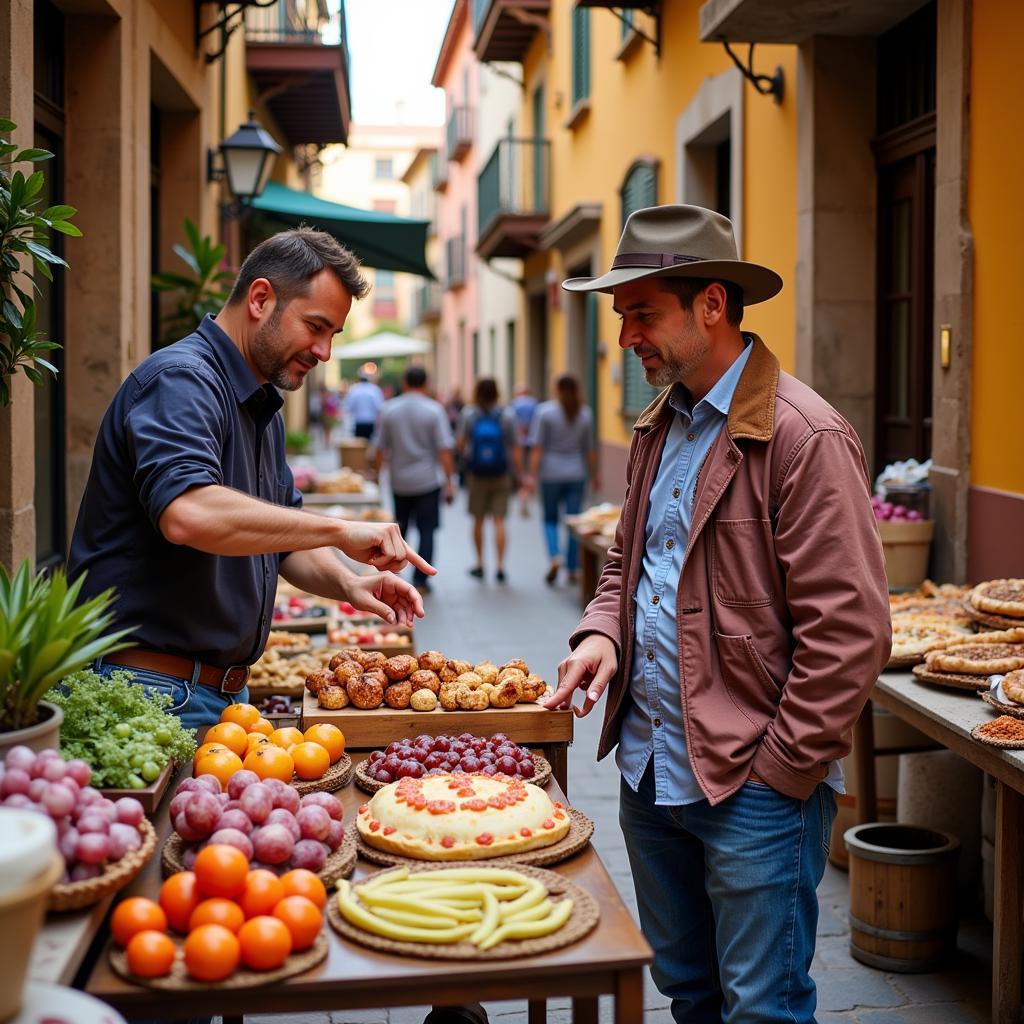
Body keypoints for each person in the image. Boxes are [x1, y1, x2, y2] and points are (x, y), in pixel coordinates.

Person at [544, 204, 891, 1024]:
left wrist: (779, 773)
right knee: (689, 993)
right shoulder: (659, 425)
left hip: (751, 787)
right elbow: (626, 563)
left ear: (712, 306)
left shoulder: (804, 437)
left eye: (642, 313)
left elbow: (851, 636)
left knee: (761, 1007)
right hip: (648, 770)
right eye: (622, 315)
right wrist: (601, 631)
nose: (627, 336)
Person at [67, 228, 434, 732]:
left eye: (333, 335)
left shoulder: (261, 402)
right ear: (260, 298)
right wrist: (339, 530)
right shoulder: (182, 380)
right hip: (150, 689)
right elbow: (188, 513)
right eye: (315, 326)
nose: (324, 351)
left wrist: (350, 581)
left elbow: (283, 541)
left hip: (214, 692)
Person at [371, 365, 456, 596]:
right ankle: (421, 580)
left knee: (400, 530)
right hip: (428, 481)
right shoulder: (435, 410)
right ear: (426, 384)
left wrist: (377, 477)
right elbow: (444, 450)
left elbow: (380, 448)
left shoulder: (389, 409)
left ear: (405, 383)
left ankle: (394, 576)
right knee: (427, 531)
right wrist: (450, 482)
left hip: (399, 481)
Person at [524, 374, 598, 585]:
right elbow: (589, 449)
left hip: (550, 474)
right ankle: (573, 567)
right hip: (576, 474)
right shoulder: (585, 414)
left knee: (550, 518)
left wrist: (531, 474)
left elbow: (537, 447)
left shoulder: (544, 412)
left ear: (556, 389)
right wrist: (594, 475)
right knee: (573, 520)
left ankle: (555, 556)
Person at [457, 378, 522, 583]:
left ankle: (479, 563)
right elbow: (515, 447)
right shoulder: (507, 414)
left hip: (477, 474)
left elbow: (460, 442)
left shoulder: (469, 413)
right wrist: (520, 474)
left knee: (478, 519)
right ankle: (501, 566)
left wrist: (464, 460)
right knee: (499, 520)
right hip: (501, 473)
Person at [510, 384, 539, 517]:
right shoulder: (534, 404)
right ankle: (528, 493)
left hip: (518, 443)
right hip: (531, 442)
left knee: (521, 471)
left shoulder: (514, 405)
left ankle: (522, 494)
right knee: (529, 470)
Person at [344, 368, 384, 439]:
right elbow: (379, 407)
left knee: (360, 446)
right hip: (370, 422)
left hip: (358, 422)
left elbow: (349, 407)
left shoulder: (354, 389)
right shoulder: (375, 389)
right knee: (370, 444)